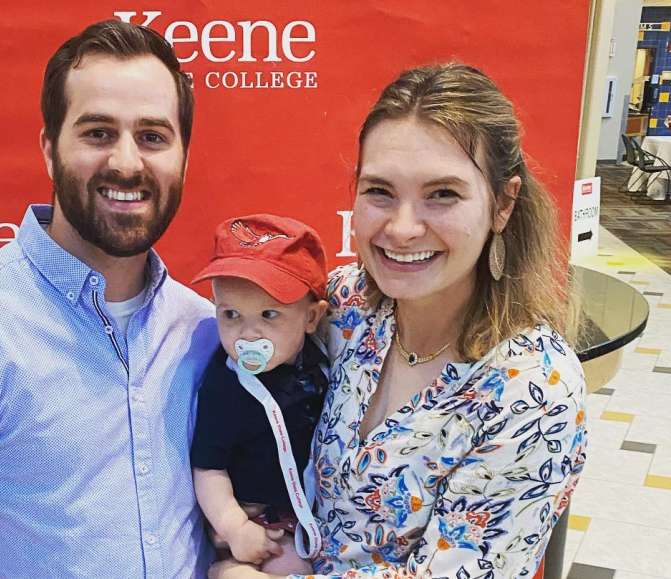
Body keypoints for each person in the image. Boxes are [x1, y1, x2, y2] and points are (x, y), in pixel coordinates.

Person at [0, 20, 220, 579]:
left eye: (153, 136)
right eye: (98, 132)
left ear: (184, 158)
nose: (128, 163)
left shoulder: (204, 328)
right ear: (49, 149)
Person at [210, 63, 587, 579]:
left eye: (443, 194)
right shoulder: (344, 307)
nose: (403, 228)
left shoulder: (532, 391)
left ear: (502, 204)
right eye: (380, 191)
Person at [190, 215, 330, 575]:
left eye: (269, 315)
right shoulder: (226, 385)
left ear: (312, 318)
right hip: (260, 527)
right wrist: (234, 527)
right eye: (231, 314)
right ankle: (225, 571)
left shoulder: (322, 362)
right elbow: (209, 467)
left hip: (312, 520)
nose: (248, 334)